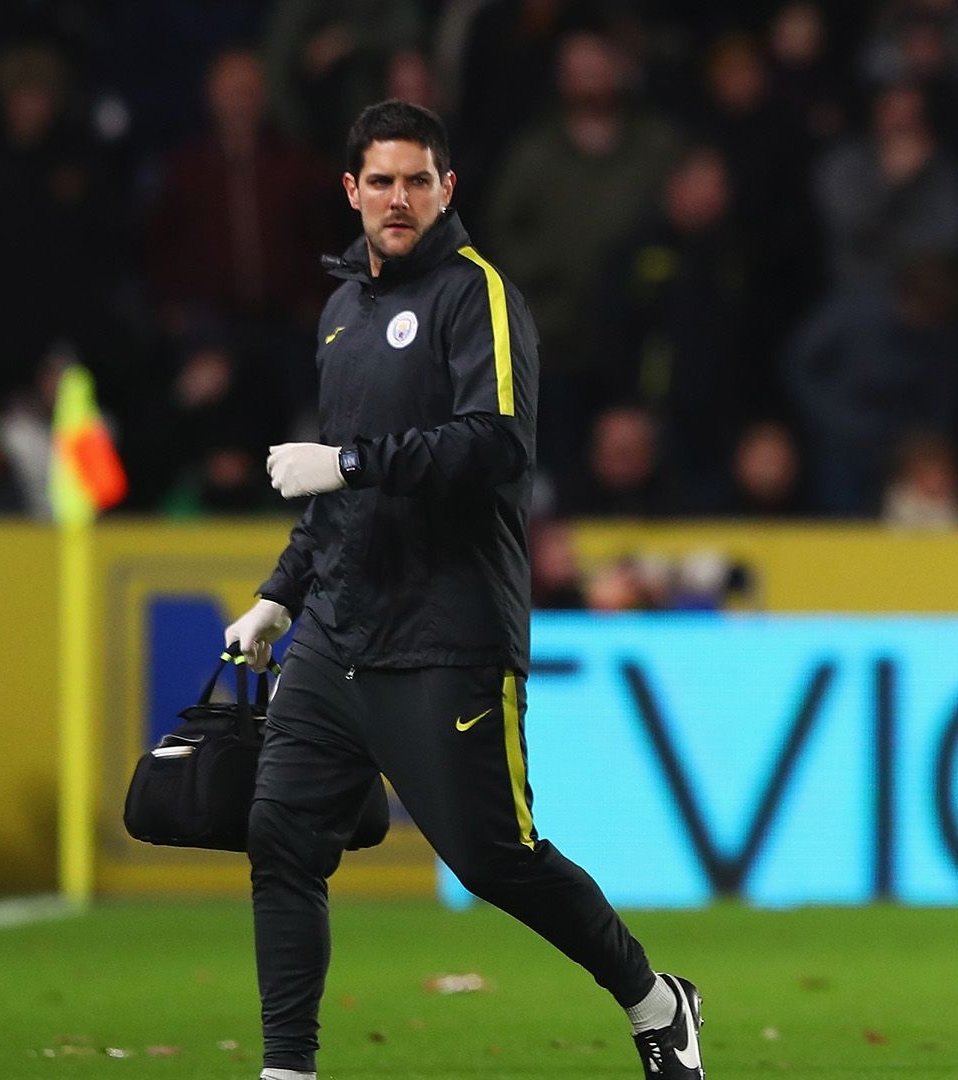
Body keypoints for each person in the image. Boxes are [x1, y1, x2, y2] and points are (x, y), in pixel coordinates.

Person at [222, 101, 703, 1080]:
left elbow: (497, 444)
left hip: (446, 633)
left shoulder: (476, 293)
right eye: (381, 181)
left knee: (494, 859)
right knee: (280, 833)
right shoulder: (341, 312)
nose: (398, 198)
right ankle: (286, 1069)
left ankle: (656, 1000)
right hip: (337, 631)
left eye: (417, 180)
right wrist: (280, 595)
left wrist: (346, 463)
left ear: (447, 188)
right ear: (351, 191)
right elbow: (338, 498)